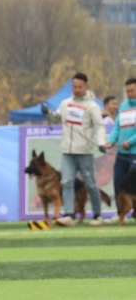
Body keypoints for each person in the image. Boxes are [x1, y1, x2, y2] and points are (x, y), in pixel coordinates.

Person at [44, 72, 106, 226]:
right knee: (66, 182)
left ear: (86, 86)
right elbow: (57, 118)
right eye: (74, 87)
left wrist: (101, 142)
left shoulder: (92, 106)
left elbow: (100, 126)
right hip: (67, 152)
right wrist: (48, 114)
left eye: (80, 87)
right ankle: (69, 215)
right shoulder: (65, 103)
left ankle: (97, 215)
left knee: (90, 184)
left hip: (85, 152)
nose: (77, 90)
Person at [109, 79, 136, 221]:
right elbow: (117, 127)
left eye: (133, 91)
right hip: (122, 154)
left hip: (134, 153)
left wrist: (130, 142)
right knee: (118, 183)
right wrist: (110, 141)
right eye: (128, 91)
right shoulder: (123, 106)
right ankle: (120, 213)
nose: (130, 94)